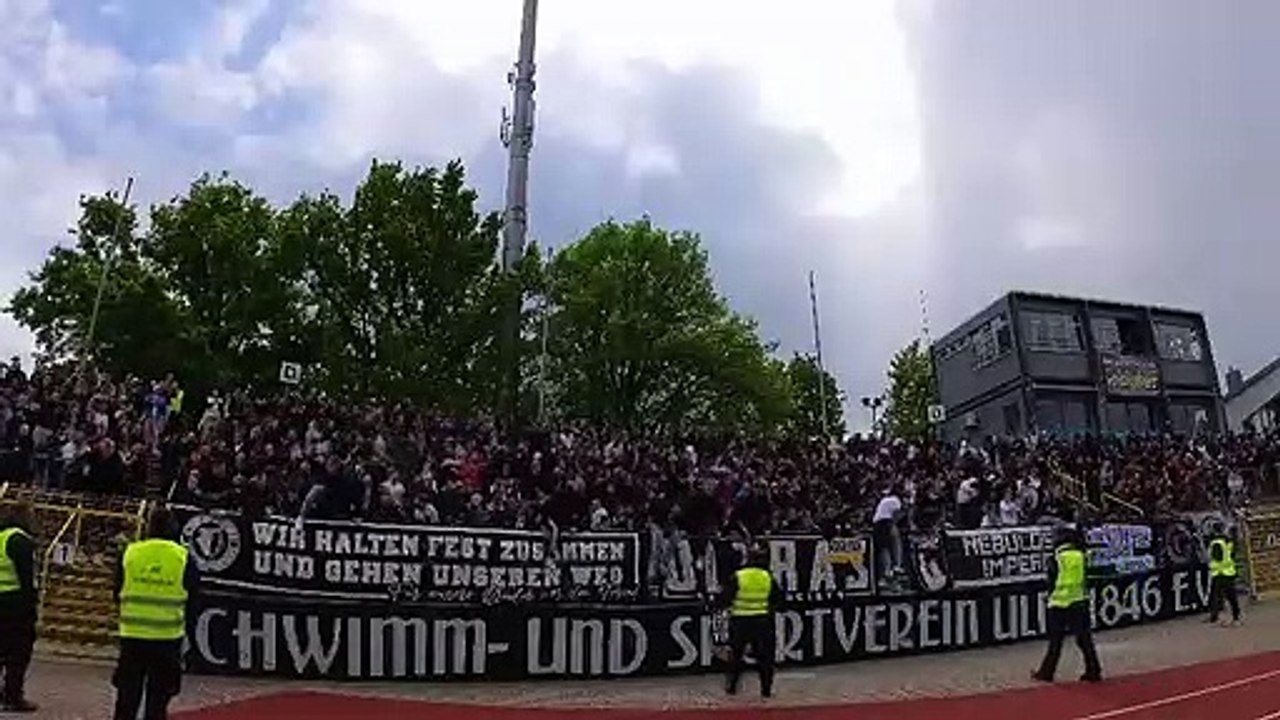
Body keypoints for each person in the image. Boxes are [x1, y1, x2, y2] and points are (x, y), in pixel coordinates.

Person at [113, 507, 198, 720]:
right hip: (167, 638)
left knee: (127, 698)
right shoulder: (183, 557)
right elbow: (194, 596)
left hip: (132, 635)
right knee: (158, 701)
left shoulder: (130, 552)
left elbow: (117, 591)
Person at [1032, 526, 1102, 684]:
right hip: (1079, 601)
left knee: (1055, 642)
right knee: (1084, 640)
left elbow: (1050, 581)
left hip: (1058, 603)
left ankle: (1047, 672)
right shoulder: (1081, 556)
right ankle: (1093, 670)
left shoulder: (1056, 558)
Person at [721, 546, 783, 698]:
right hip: (762, 621)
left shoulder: (738, 576)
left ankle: (732, 687)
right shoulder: (768, 577)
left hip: (740, 620)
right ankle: (766, 690)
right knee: (765, 658)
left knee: (736, 656)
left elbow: (725, 598)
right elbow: (778, 599)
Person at [0, 501, 38, 713]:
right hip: (15, 605)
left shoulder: (1, 538)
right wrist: (31, 608)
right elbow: (27, 580)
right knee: (18, 653)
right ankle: (13, 695)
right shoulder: (21, 541)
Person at [1207, 522, 1242, 627]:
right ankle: (1236, 617)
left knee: (1216, 596)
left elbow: (1217, 557)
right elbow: (1232, 554)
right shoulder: (1229, 541)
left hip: (1219, 573)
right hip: (1229, 571)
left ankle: (1216, 618)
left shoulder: (1216, 543)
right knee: (1231, 597)